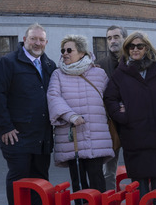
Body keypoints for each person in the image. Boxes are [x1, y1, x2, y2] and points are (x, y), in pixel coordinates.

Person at [0, 24, 56, 205]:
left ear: (46, 43)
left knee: (40, 179)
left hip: (42, 135)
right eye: (33, 38)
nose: (37, 43)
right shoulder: (7, 62)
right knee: (19, 177)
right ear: (25, 40)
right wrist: (5, 127)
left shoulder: (50, 65)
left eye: (41, 40)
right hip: (16, 134)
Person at [104, 32, 156, 202]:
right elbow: (109, 98)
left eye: (139, 46)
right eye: (131, 46)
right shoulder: (120, 73)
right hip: (135, 136)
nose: (135, 49)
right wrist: (122, 116)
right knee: (140, 186)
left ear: (146, 48)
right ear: (126, 49)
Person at [48, 35, 114, 192]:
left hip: (96, 137)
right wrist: (70, 115)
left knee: (97, 178)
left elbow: (110, 97)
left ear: (82, 53)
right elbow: (53, 96)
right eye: (63, 50)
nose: (65, 53)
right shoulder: (57, 74)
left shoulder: (99, 74)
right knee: (78, 181)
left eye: (69, 50)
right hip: (72, 138)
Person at [99, 26, 126, 186]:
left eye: (116, 37)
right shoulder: (100, 64)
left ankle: (137, 202)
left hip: (133, 122)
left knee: (137, 166)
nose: (112, 41)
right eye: (109, 38)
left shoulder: (134, 61)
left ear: (124, 39)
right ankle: (108, 202)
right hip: (110, 123)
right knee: (108, 169)